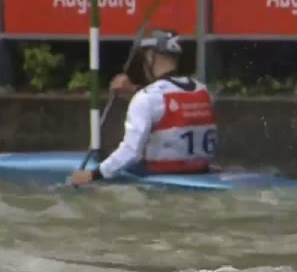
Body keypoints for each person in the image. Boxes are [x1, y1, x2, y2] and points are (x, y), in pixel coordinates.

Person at [71, 29, 218, 186]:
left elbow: (130, 152)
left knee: (104, 176)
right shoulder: (203, 91)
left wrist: (93, 174)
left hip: (160, 176)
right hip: (201, 171)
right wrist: (133, 92)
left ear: (151, 56)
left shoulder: (146, 98)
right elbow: (169, 102)